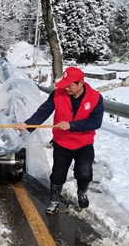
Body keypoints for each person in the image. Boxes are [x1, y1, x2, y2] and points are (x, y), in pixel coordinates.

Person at [17, 67, 104, 214]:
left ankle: (82, 193)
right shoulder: (58, 93)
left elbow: (95, 122)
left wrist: (71, 125)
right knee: (57, 175)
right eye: (65, 84)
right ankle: (54, 201)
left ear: (81, 83)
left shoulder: (95, 98)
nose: (67, 88)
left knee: (84, 174)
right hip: (61, 143)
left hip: (84, 144)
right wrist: (28, 124)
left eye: (70, 85)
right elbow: (43, 111)